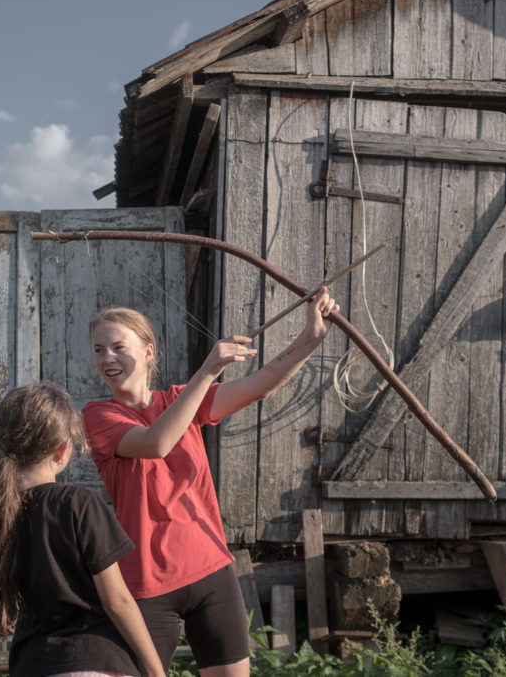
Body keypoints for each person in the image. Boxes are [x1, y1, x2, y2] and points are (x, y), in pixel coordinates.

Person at [83, 288, 338, 675]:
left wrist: (310, 338)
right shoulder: (98, 415)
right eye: (99, 350)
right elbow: (156, 443)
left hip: (210, 575)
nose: (108, 358)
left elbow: (258, 386)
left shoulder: (181, 398)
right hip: (146, 585)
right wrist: (207, 372)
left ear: (148, 352)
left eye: (119, 347)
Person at [0, 381, 165, 677]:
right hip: (93, 660)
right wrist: (155, 670)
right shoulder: (79, 503)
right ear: (62, 450)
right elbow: (118, 601)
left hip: (31, 663)